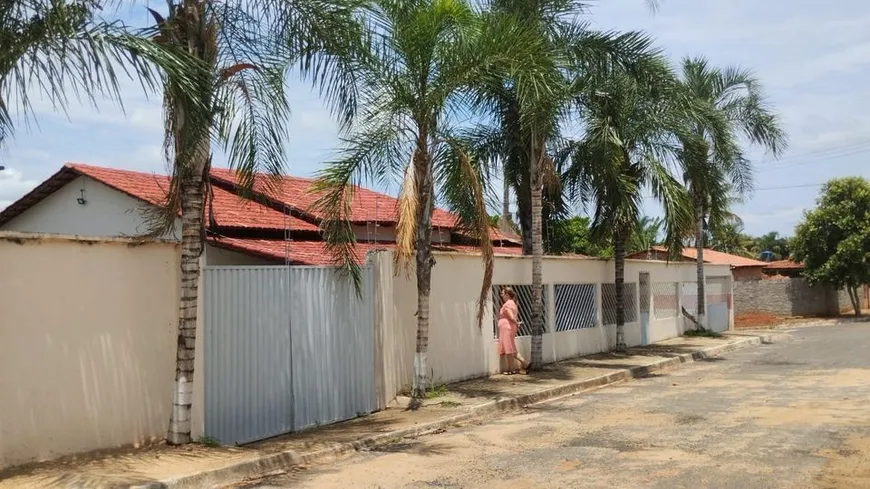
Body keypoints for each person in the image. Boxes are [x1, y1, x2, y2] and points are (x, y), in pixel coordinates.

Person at [497, 287, 528, 374]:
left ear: (507, 294)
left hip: (507, 328)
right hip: (509, 327)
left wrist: (517, 322)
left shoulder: (507, 304)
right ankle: (524, 363)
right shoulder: (512, 303)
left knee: (508, 349)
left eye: (502, 294)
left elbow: (511, 317)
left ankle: (511, 369)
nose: (501, 296)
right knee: (511, 348)